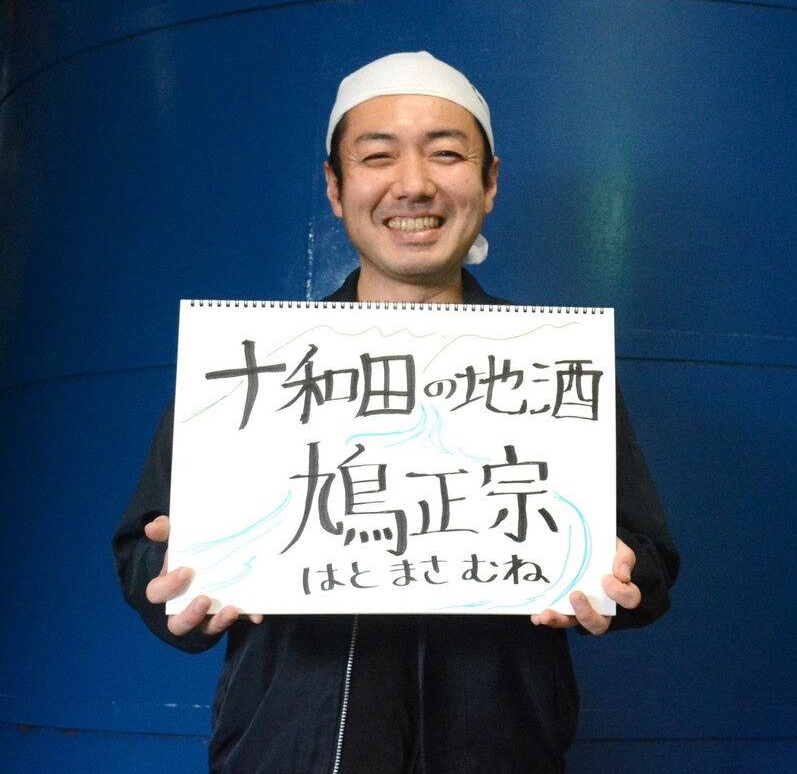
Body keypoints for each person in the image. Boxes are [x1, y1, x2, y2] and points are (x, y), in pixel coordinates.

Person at [113, 51, 680, 774]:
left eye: (445, 154)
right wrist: (177, 582)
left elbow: (648, 559)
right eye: (378, 156)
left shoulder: (554, 366)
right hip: (287, 754)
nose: (413, 184)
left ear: (489, 181)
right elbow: (141, 551)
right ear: (335, 185)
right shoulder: (251, 367)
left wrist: (616, 581)